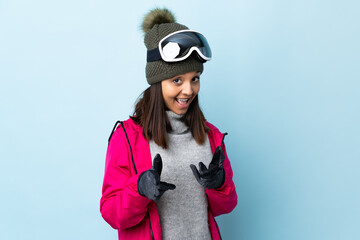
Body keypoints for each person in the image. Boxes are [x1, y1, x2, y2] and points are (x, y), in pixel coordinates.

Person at [100, 8, 237, 240]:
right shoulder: (127, 137)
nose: (189, 90)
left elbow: (225, 207)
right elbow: (112, 214)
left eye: (195, 78)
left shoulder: (210, 136)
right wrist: (139, 189)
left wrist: (219, 184)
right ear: (157, 82)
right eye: (177, 80)